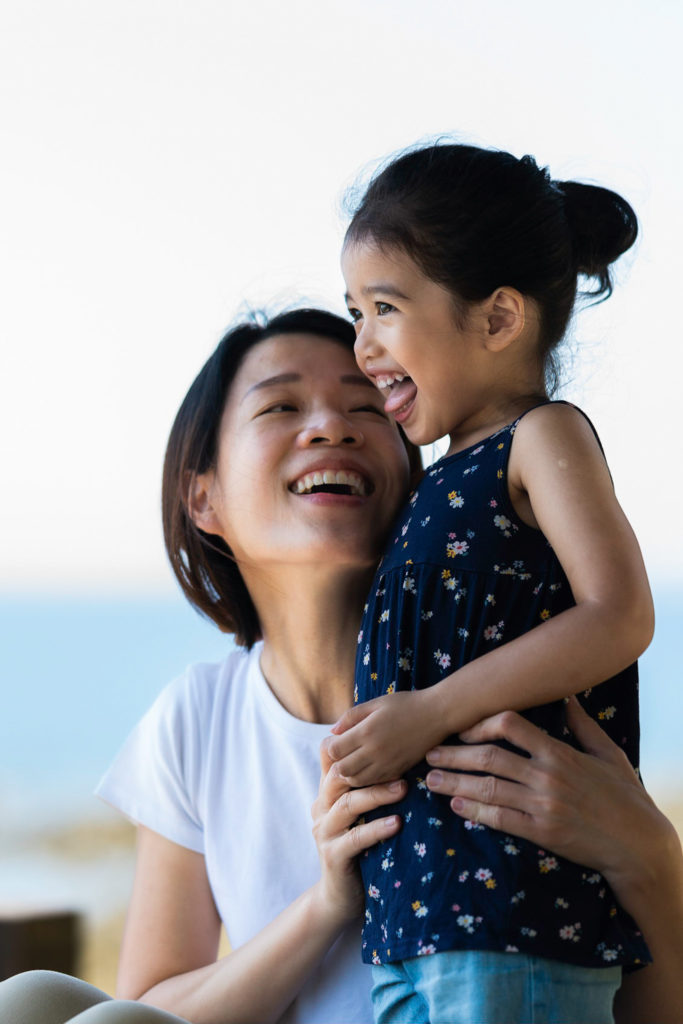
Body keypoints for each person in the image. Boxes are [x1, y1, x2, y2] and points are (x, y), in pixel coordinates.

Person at [0, 307, 678, 1024]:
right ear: (204, 497)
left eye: (366, 406)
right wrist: (326, 903)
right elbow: (151, 1005)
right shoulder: (197, 718)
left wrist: (649, 857)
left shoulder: (505, 682)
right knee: (31, 999)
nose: (332, 427)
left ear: (417, 482)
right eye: (281, 407)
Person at [333, 142, 655, 1022]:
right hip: (413, 924)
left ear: (499, 317)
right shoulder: (431, 484)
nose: (363, 345)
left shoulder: (541, 437)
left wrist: (430, 712)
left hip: (515, 915)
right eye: (354, 312)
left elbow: (619, 614)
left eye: (384, 308)